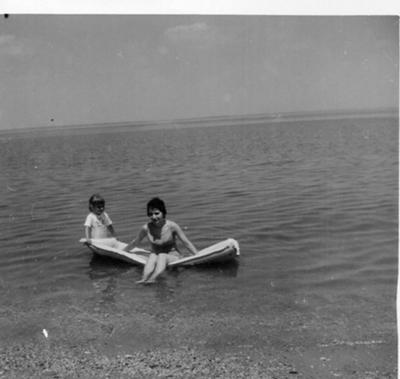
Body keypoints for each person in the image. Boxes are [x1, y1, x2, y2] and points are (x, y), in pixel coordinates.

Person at [124, 197, 197, 284]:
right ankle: (144, 278)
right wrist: (122, 252)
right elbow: (136, 242)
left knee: (161, 255)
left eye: (157, 213)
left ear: (163, 212)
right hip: (156, 256)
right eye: (150, 214)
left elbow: (186, 242)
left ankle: (153, 278)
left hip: (173, 257)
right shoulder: (146, 228)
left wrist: (198, 256)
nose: (154, 217)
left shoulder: (172, 226)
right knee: (152, 255)